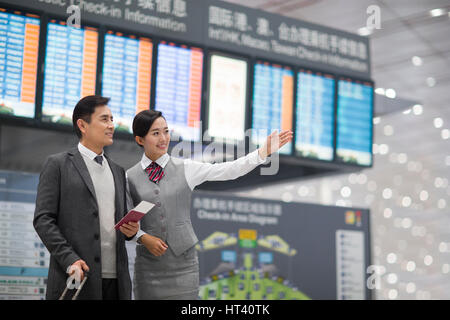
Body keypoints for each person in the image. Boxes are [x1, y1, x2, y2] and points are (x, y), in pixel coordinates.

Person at [126, 110, 293, 299]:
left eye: (166, 131)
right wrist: (143, 237)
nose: (163, 138)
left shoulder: (186, 168)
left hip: (184, 265)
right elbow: (124, 222)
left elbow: (229, 170)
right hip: (148, 267)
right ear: (140, 139)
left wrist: (263, 152)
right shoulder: (129, 177)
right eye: (155, 133)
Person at [33, 95, 139, 300]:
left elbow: (120, 223)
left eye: (112, 119)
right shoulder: (58, 165)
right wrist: (69, 258)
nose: (111, 125)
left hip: (117, 283)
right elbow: (43, 220)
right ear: (82, 125)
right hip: (76, 276)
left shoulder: (118, 171)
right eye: (104, 119)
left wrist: (131, 231)